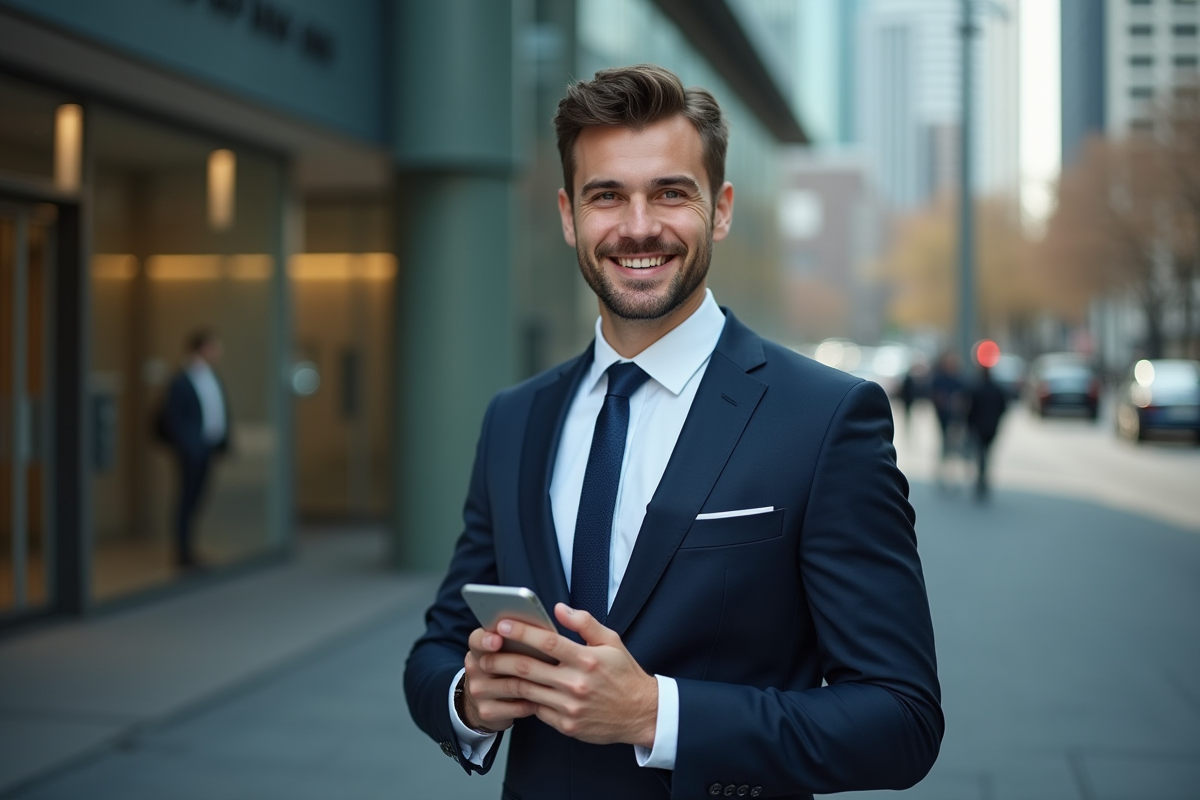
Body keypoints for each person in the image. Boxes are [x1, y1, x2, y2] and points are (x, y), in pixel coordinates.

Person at [404, 65, 942, 800]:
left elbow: (900, 718)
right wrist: (468, 699)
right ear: (568, 216)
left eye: (669, 192)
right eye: (606, 196)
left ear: (720, 209)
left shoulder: (825, 419)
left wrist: (658, 715)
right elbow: (437, 647)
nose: (637, 226)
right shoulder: (514, 419)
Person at [156, 328, 230, 570]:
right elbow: (174, 417)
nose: (219, 352)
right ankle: (183, 553)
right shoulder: (182, 379)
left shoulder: (210, 376)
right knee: (186, 500)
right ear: (203, 348)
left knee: (197, 498)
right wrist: (189, 445)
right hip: (192, 449)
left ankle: (191, 549)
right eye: (215, 346)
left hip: (207, 447)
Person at [966, 365, 1007, 501]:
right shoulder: (997, 389)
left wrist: (969, 425)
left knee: (980, 454)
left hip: (979, 427)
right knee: (986, 453)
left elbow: (970, 409)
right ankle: (983, 478)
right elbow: (1003, 408)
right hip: (992, 427)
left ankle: (981, 478)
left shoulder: (976, 389)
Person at [929, 351, 966, 487]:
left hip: (955, 418)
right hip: (943, 417)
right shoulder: (939, 379)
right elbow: (934, 396)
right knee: (943, 444)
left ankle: (951, 473)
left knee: (953, 446)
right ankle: (941, 472)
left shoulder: (957, 380)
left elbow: (962, 398)